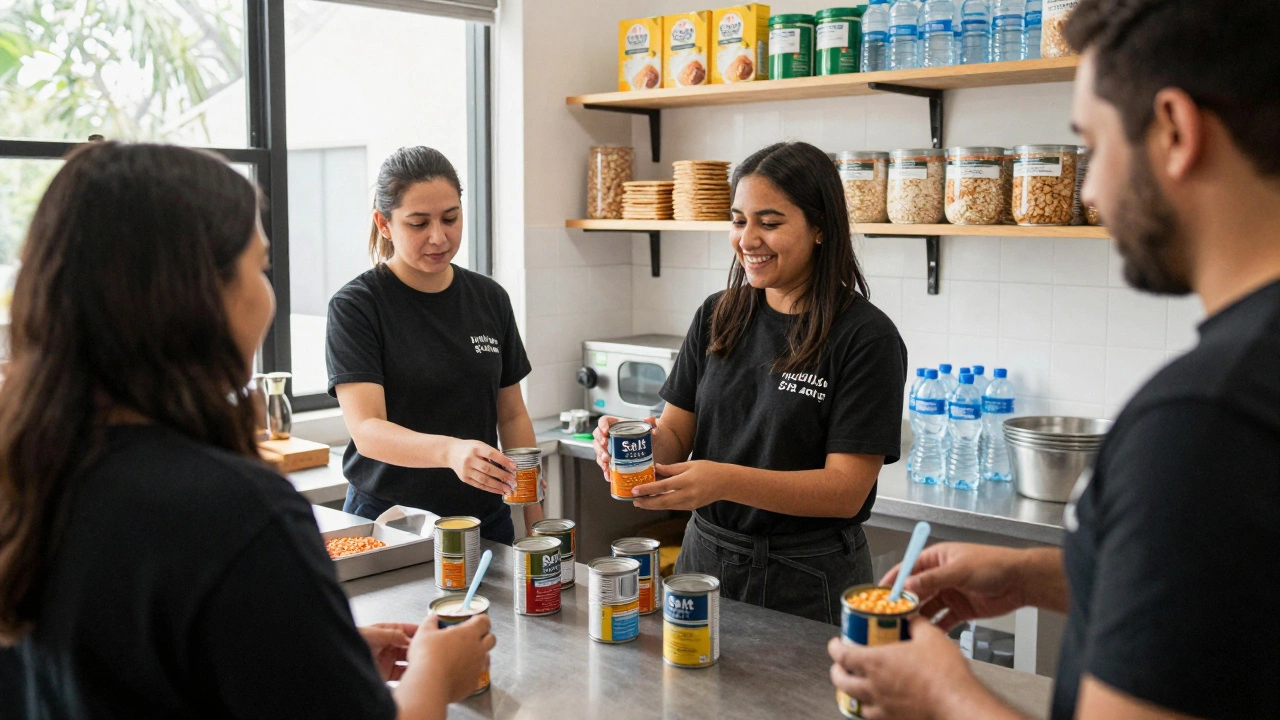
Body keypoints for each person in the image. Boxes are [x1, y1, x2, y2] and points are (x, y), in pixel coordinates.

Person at [828, 1, 1280, 717]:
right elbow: (1235, 595)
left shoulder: (1204, 420)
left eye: (1094, 148)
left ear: (1175, 130)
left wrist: (942, 694)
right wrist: (1040, 574)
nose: (1090, 191)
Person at [0, 142, 493, 720]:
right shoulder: (237, 514)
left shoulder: (32, 474)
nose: (269, 294)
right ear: (193, 298)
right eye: (258, 267)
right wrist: (435, 675)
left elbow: (134, 671)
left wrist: (310, 655)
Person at [594, 141, 908, 625]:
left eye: (770, 222)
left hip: (808, 572)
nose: (747, 239)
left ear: (821, 228)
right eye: (739, 221)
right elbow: (676, 438)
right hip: (707, 557)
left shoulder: (866, 337)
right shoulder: (718, 315)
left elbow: (844, 489)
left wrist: (721, 480)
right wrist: (633, 447)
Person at [327, 146, 540, 542]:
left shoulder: (489, 298)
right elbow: (368, 430)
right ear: (384, 223)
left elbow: (510, 416)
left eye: (450, 218)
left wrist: (535, 517)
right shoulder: (357, 306)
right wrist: (450, 452)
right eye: (418, 223)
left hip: (484, 519)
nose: (438, 237)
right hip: (390, 521)